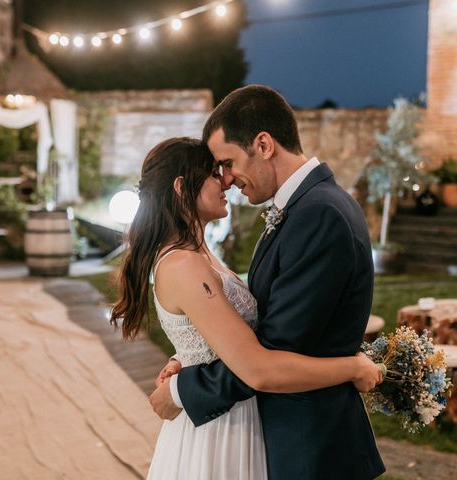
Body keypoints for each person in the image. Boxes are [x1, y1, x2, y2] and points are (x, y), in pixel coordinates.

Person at [111, 135, 384, 479]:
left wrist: (189, 356)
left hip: (240, 418)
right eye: (214, 172)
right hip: (218, 432)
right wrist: (355, 368)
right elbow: (258, 368)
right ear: (182, 187)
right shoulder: (183, 264)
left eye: (224, 167)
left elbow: (228, 332)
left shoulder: (201, 255)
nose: (226, 179)